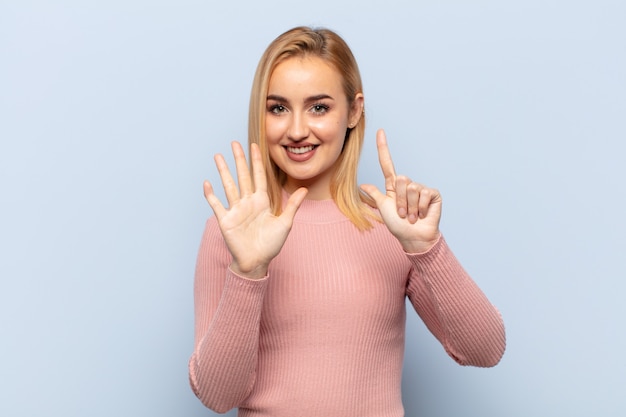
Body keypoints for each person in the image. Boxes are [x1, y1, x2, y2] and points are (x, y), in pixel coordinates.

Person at [188, 26, 505, 417]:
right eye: (278, 108)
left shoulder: (393, 227)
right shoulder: (231, 235)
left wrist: (427, 250)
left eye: (319, 107)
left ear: (354, 111)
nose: (297, 130)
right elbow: (218, 397)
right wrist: (248, 271)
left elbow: (485, 351)